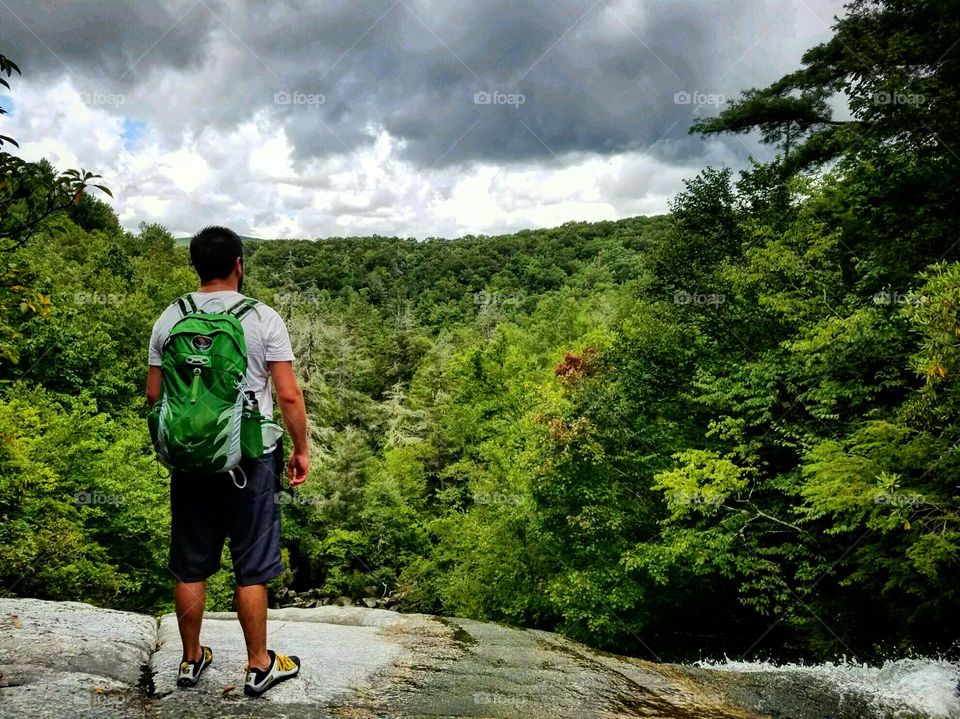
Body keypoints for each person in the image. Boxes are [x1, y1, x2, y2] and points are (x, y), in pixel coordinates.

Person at [146, 226, 309, 696]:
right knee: (252, 563)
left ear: (194, 264)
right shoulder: (262, 318)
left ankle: (190, 660)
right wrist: (301, 450)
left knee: (190, 563)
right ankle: (259, 665)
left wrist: (177, 445)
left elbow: (155, 396)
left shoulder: (169, 317)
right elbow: (288, 395)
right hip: (250, 459)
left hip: (190, 460)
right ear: (239, 262)